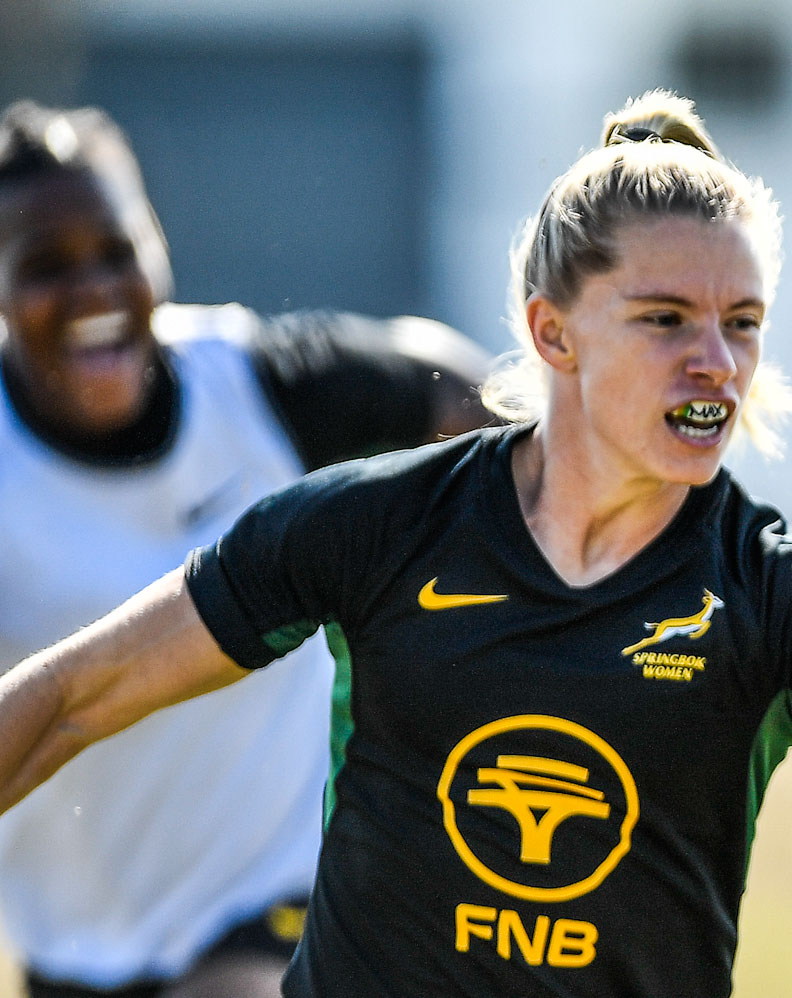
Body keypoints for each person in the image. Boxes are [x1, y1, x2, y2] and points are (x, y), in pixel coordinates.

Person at [0, 91, 792, 997]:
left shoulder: (780, 599)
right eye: (664, 319)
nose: (713, 363)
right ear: (551, 331)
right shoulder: (371, 526)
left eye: (741, 324)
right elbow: (72, 697)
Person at [0, 101, 494, 998]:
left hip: (285, 899)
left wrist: (697, 557)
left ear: (158, 247)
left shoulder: (261, 387)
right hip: (70, 952)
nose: (94, 291)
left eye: (118, 251)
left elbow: (466, 397)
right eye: (44, 267)